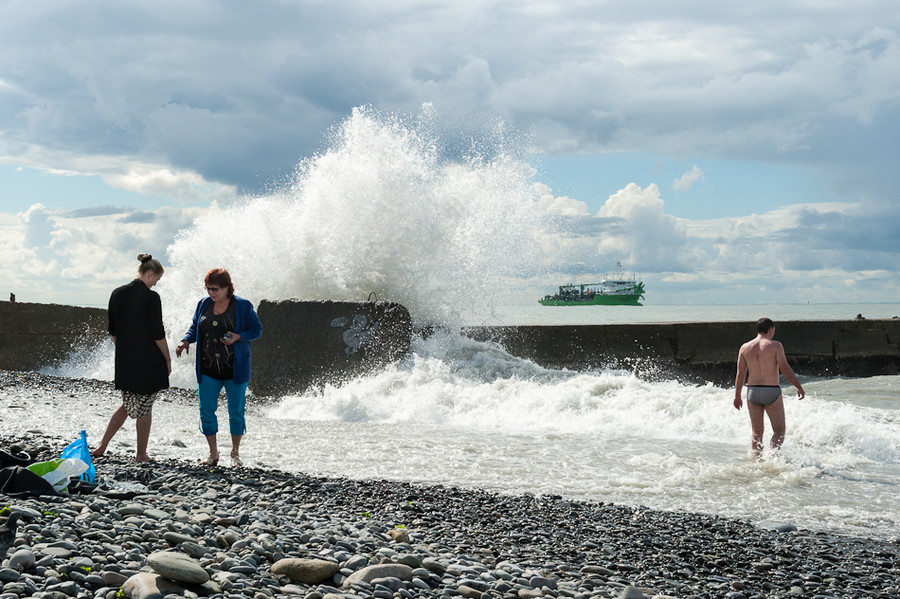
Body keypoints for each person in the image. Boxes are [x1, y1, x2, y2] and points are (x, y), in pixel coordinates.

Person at [175, 268, 262, 467]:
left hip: (235, 369)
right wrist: (186, 340)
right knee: (206, 411)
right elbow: (195, 326)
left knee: (236, 412)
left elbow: (257, 330)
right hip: (208, 369)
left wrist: (238, 337)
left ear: (226, 288)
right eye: (208, 288)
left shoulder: (242, 306)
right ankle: (213, 453)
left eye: (214, 289)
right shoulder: (203, 304)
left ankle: (235, 453)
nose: (211, 293)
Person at [92, 254, 171, 462]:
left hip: (126, 361)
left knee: (128, 404)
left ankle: (102, 445)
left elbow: (113, 331)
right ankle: (141, 454)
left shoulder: (117, 293)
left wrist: (126, 350)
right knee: (145, 406)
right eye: (156, 280)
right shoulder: (151, 297)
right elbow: (158, 333)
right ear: (150, 273)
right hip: (148, 361)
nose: (155, 284)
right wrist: (168, 359)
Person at [734, 317, 805, 455]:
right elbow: (785, 369)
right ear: (770, 329)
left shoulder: (744, 347)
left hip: (752, 391)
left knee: (756, 432)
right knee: (779, 431)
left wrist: (737, 396)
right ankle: (772, 458)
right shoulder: (776, 346)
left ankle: (757, 460)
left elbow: (740, 374)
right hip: (771, 391)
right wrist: (798, 386)